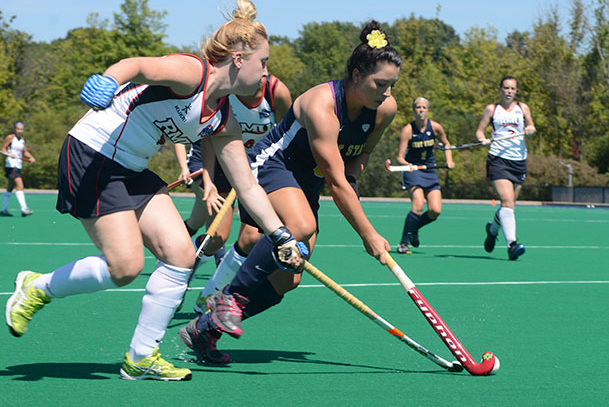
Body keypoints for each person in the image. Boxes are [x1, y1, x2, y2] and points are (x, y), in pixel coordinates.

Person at [4, 0, 307, 382]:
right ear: (239, 60)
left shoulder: (224, 116)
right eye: (263, 63)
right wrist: (108, 79)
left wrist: (279, 234)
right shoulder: (191, 72)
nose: (266, 73)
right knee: (125, 267)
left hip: (131, 167)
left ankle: (141, 357)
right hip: (93, 155)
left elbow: (246, 184)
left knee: (181, 254)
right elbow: (138, 65)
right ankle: (37, 287)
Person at [178, 20, 401, 365]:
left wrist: (357, 170)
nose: (386, 93)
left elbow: (363, 153)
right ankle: (231, 298)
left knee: (288, 277)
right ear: (356, 75)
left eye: (391, 85)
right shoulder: (321, 106)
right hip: (271, 167)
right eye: (380, 84)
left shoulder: (384, 109)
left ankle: (204, 329)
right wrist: (368, 234)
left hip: (304, 184)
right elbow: (336, 181)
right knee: (300, 227)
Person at [174, 74, 292, 278]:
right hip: (221, 163)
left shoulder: (276, 93)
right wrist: (209, 182)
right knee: (217, 237)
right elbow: (209, 138)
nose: (261, 71)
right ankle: (179, 269)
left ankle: (213, 294)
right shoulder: (225, 94)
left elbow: (285, 137)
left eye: (264, 62)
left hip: (258, 166)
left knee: (251, 239)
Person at [476, 75, 536, 261]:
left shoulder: (522, 108)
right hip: (498, 159)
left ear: (516, 91)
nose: (509, 91)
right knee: (508, 202)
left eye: (512, 88)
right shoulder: (492, 109)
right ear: (500, 89)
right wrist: (482, 139)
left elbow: (531, 125)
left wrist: (531, 129)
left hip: (519, 161)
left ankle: (493, 230)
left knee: (508, 206)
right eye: (506, 88)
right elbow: (480, 130)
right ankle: (512, 245)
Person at [395, 97, 455, 254]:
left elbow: (446, 144)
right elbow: (400, 157)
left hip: (429, 170)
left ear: (428, 110)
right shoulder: (408, 130)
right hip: (413, 171)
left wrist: (449, 161)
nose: (421, 110)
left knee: (435, 210)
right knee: (418, 205)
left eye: (424, 107)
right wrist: (407, 165)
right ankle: (403, 243)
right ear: (414, 110)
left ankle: (414, 228)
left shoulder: (435, 127)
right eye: (418, 107)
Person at [0, 122, 36, 217]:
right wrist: (9, 154)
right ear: (15, 129)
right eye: (18, 129)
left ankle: (3, 210)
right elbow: (3, 149)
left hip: (18, 165)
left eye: (21, 129)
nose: (20, 131)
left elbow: (25, 152)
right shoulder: (10, 138)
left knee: (10, 188)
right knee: (20, 186)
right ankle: (24, 209)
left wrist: (31, 157)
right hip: (11, 165)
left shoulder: (22, 140)